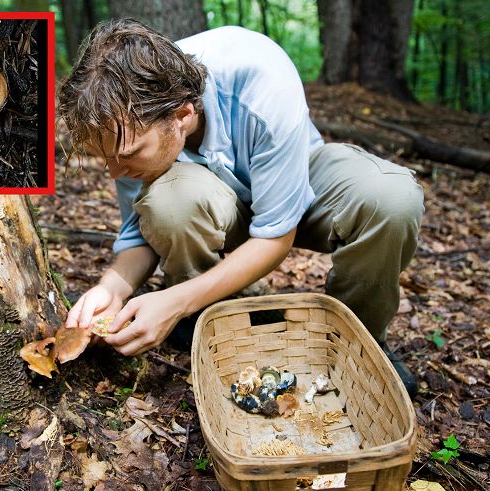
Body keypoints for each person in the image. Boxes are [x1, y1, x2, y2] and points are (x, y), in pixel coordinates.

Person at [58, 19, 424, 396]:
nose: (114, 171)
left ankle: (358, 340)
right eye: (106, 158)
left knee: (392, 198)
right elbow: (139, 232)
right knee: (170, 201)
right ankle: (205, 320)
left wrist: (173, 301)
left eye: (128, 155)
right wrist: (111, 289)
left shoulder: (260, 78)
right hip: (210, 200)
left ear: (182, 116)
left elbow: (275, 238)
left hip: (297, 180)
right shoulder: (121, 111)